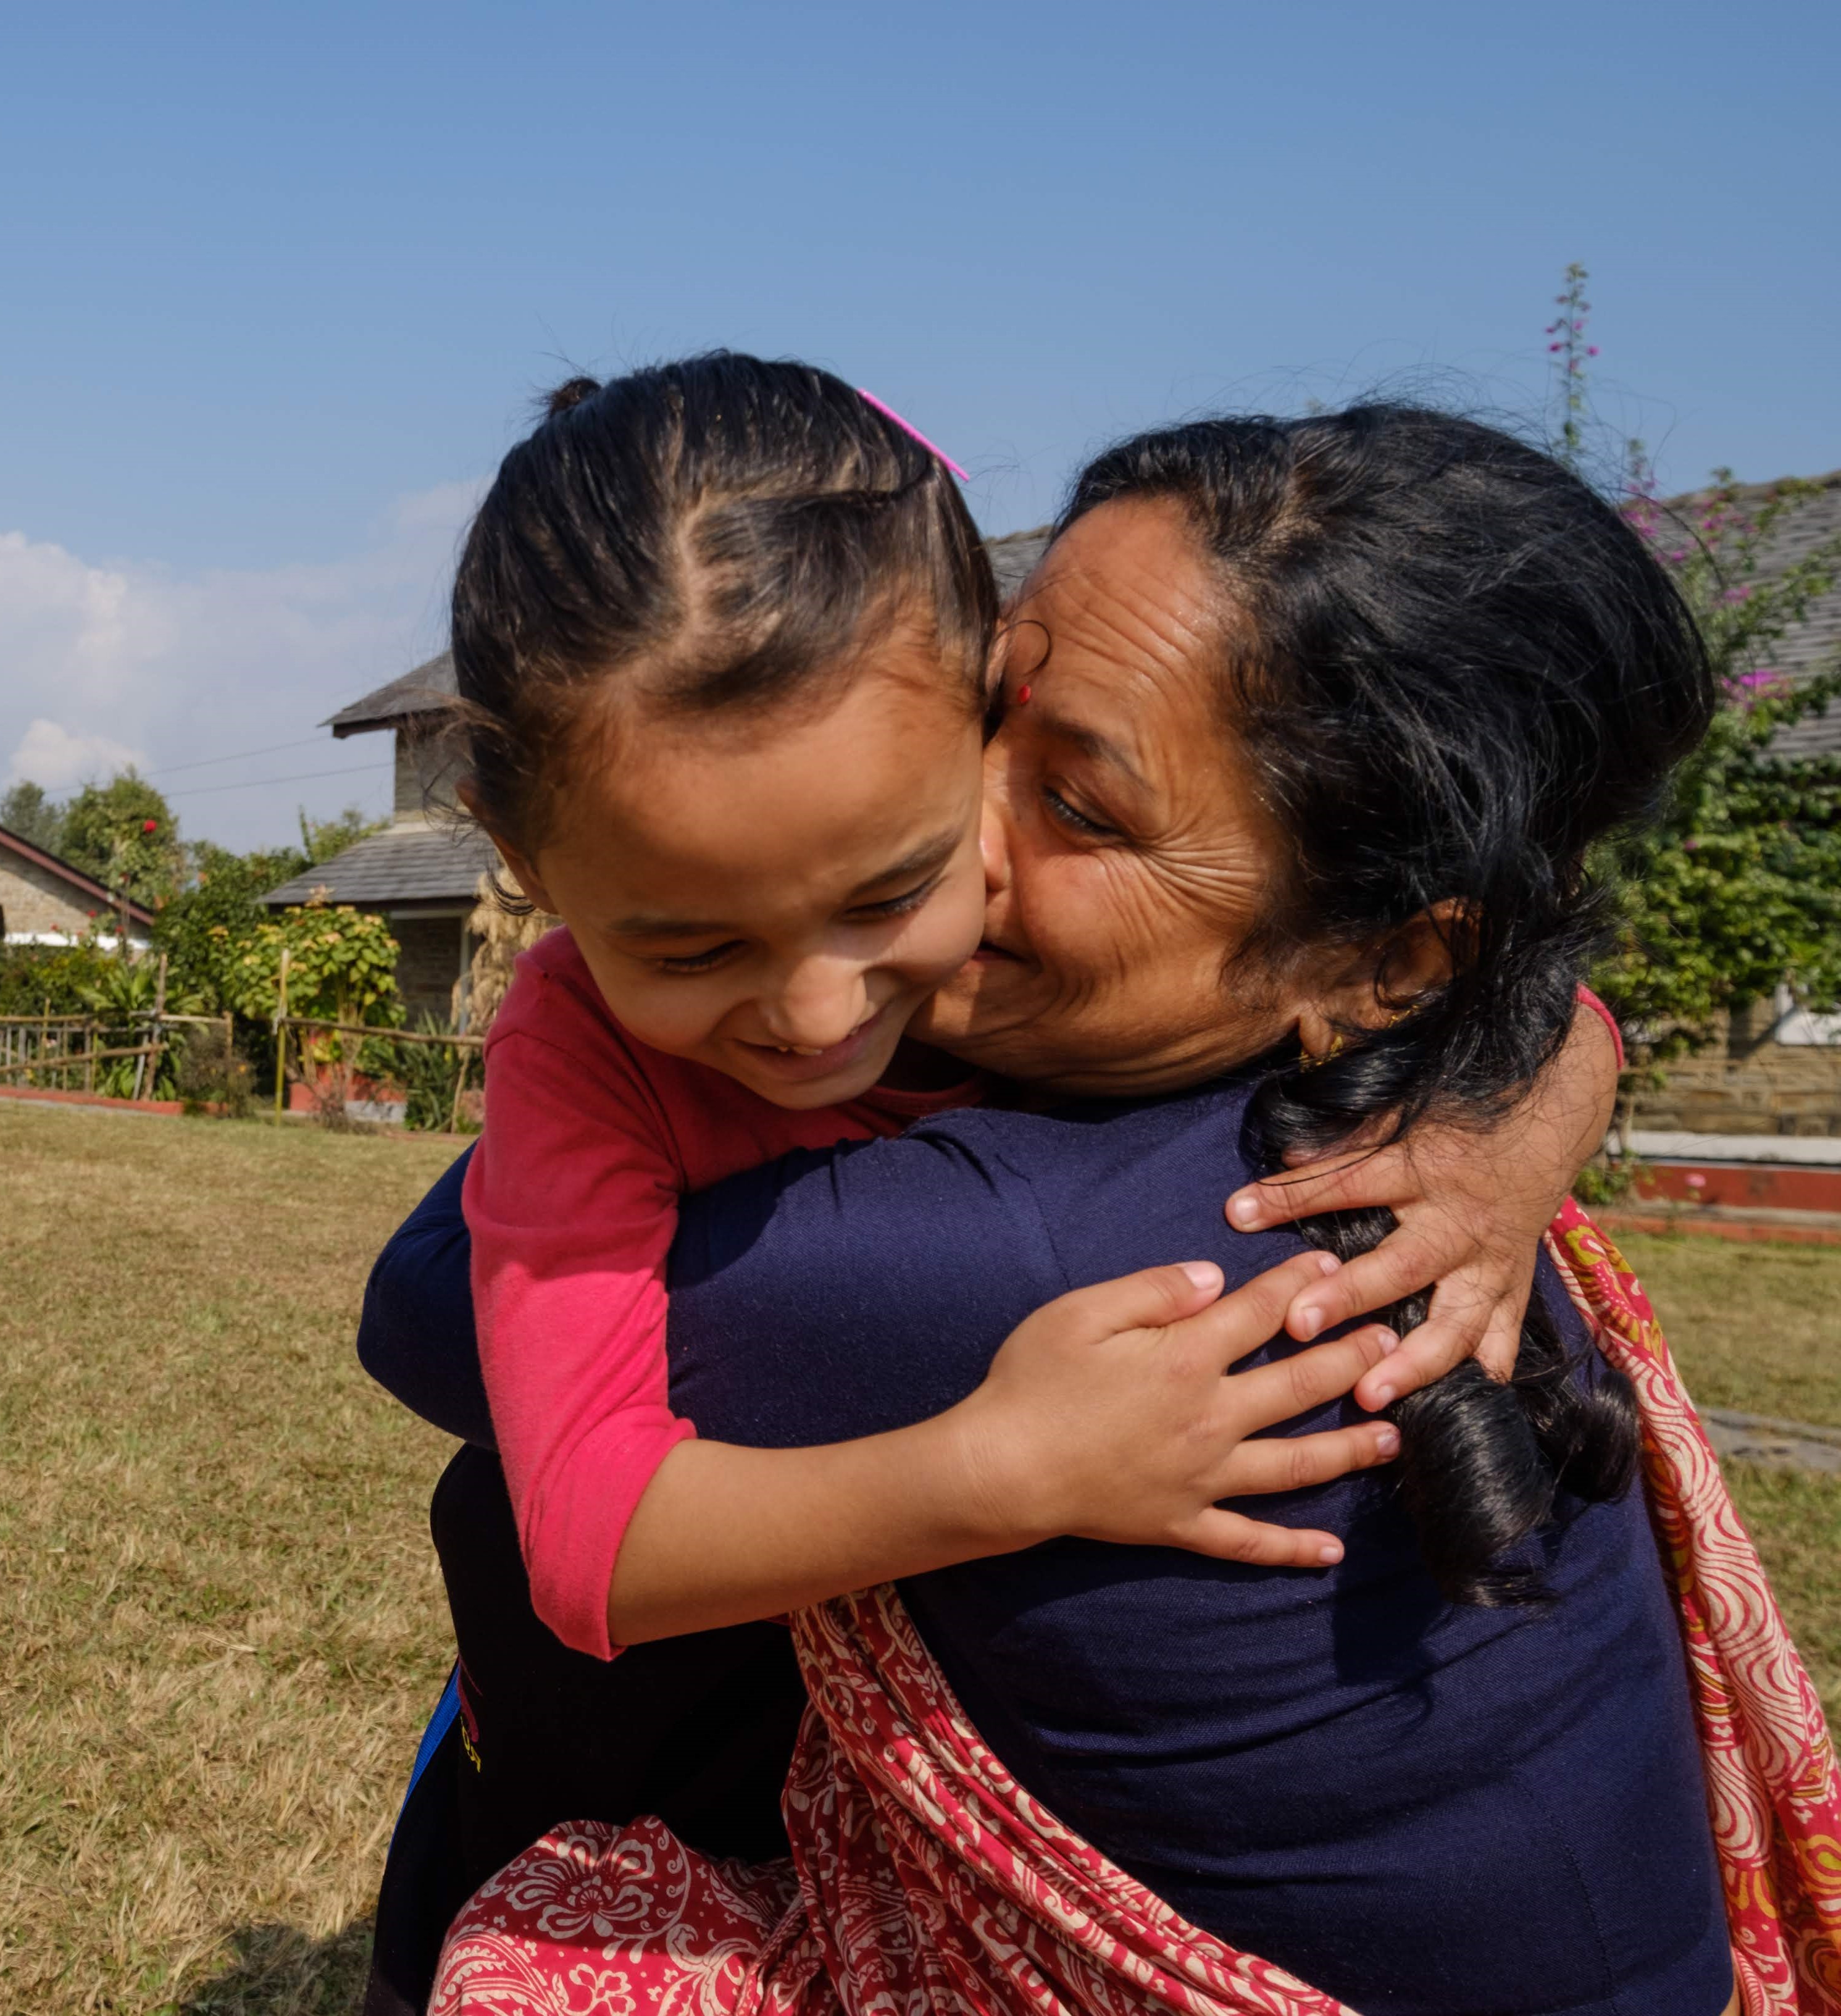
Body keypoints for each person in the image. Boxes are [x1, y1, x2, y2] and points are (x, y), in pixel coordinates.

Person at [365, 406, 1837, 2014]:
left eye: (1081, 806)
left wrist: (604, 1037)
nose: (958, 832)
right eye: (991, 708)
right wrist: (1564, 1060)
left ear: (1385, 960)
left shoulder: (985, 1256)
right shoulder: (1417, 1101)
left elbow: (429, 1314)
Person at [446, 356, 1606, 1677]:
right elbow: (582, 1531)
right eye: (692, 946)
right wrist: (1001, 1467)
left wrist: (1524, 1116)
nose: (817, 1008)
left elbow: (1523, 985)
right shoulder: (596, 1043)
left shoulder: (1073, 1010)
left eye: (893, 883)